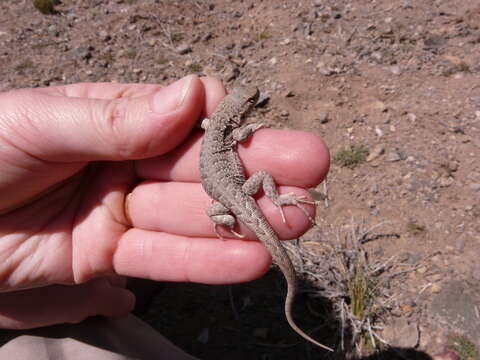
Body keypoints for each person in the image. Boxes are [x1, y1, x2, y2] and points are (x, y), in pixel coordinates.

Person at [0, 75, 330, 359]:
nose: (253, 103)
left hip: (224, 200)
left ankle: (230, 220)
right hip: (238, 190)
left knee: (227, 217)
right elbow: (240, 137)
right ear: (240, 113)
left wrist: (224, 218)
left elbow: (216, 129)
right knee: (262, 185)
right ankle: (279, 198)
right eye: (250, 103)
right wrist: (251, 130)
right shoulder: (230, 132)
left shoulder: (211, 125)